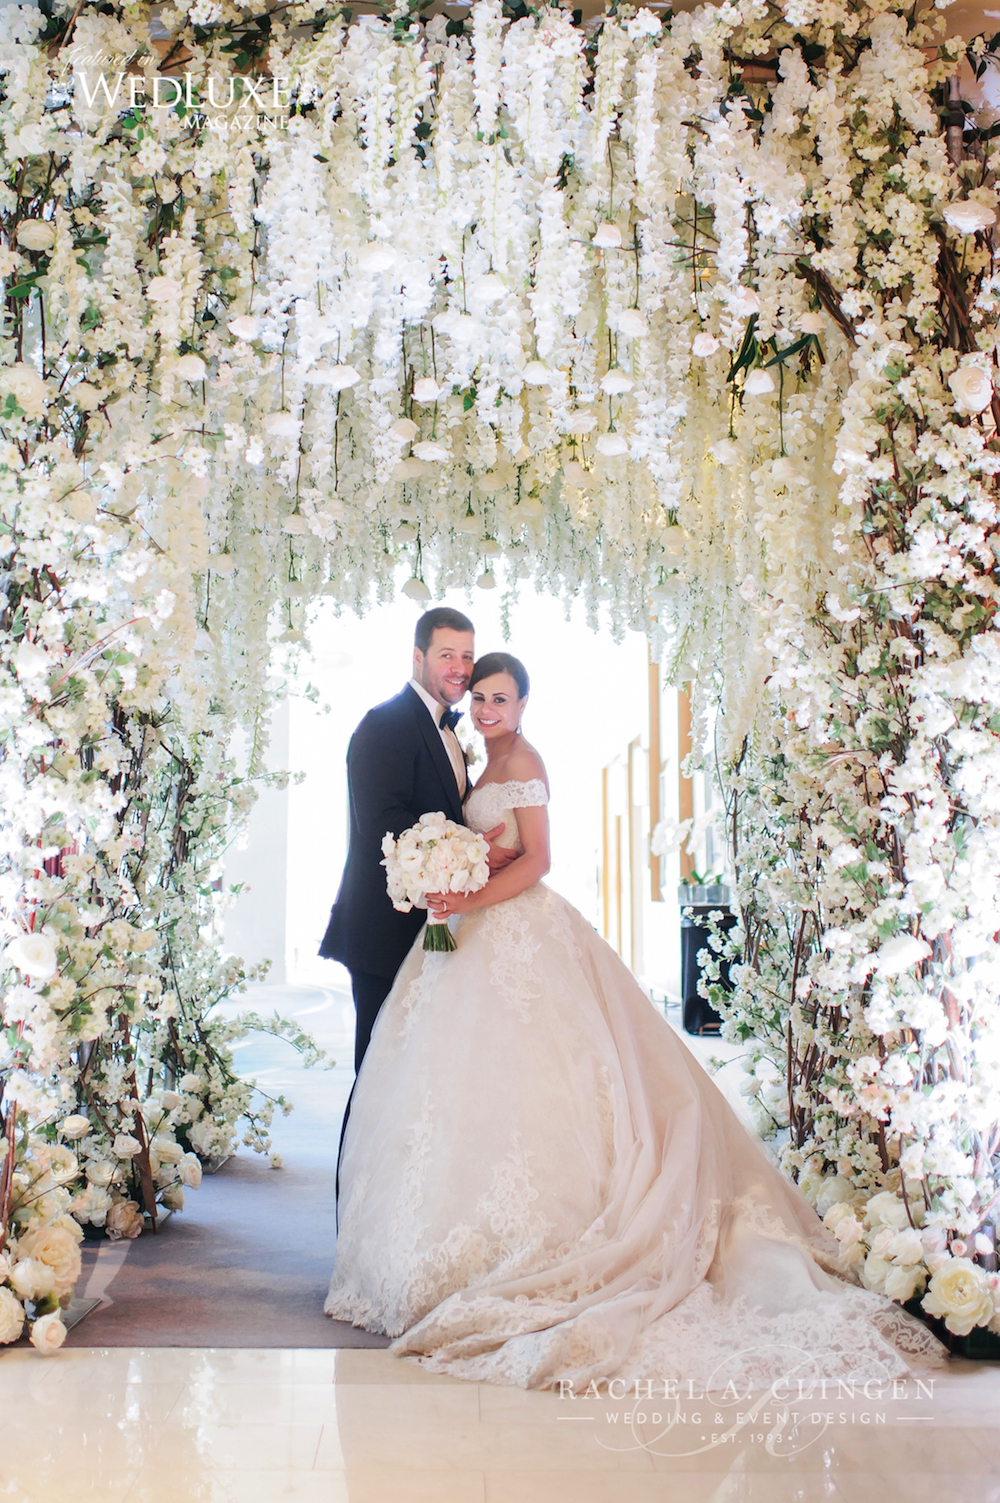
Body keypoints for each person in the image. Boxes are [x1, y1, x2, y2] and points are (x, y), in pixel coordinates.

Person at [324, 652, 946, 1390]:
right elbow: (495, 848)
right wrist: (453, 873)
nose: (487, 709)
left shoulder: (522, 760)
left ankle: (540, 1244)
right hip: (469, 936)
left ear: (523, 705)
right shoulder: (474, 759)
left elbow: (539, 861)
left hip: (518, 932)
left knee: (549, 1079)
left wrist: (469, 896)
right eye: (481, 698)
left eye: (501, 698)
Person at [318, 608, 516, 1072]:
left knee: (411, 1080)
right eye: (447, 654)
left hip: (427, 928)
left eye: (467, 656)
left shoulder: (447, 730)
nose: (461, 668)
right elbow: (384, 823)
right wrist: (475, 851)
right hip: (384, 930)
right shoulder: (385, 724)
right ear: (417, 656)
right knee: (377, 1075)